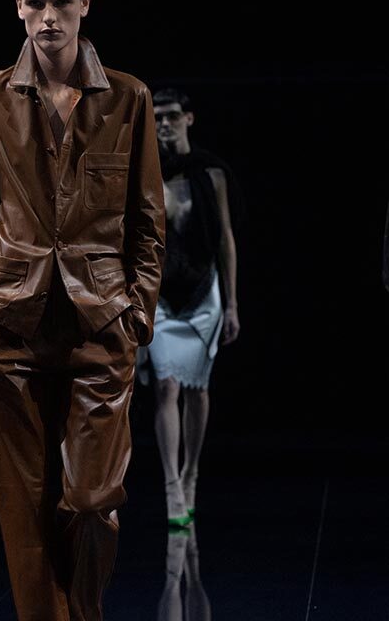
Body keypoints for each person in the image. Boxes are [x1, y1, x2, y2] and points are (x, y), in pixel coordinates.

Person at [0, 0, 165, 621]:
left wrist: (138, 311)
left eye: (62, 2)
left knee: (91, 501)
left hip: (100, 322)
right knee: (23, 504)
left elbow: (149, 222)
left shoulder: (128, 97)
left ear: (85, 6)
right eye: (36, 3)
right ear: (18, 9)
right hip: (10, 322)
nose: (49, 16)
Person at [136, 88, 241, 527]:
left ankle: (191, 473)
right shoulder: (144, 174)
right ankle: (171, 485)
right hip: (161, 294)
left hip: (203, 291)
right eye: (157, 117)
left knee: (197, 388)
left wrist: (232, 304)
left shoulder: (210, 172)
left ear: (189, 119)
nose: (164, 123)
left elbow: (224, 238)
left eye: (172, 116)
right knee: (165, 387)